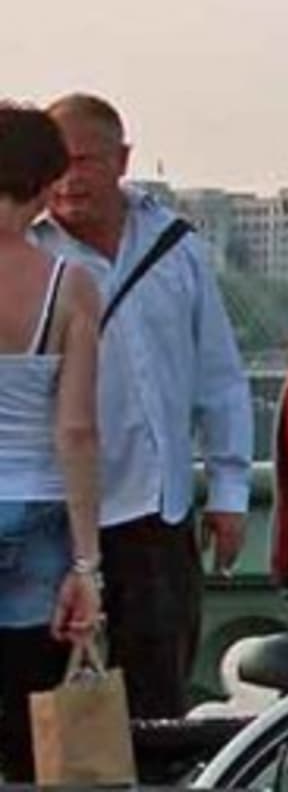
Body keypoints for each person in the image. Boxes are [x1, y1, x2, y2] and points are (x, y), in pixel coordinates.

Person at [31, 92, 247, 719]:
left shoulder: (175, 246)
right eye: (56, 164)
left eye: (84, 161)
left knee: (157, 708)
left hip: (155, 515)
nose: (69, 180)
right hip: (53, 523)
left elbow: (221, 377)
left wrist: (229, 494)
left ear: (121, 160)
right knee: (57, 721)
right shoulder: (24, 255)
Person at [0, 105, 108, 782]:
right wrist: (88, 566)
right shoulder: (69, 285)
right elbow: (76, 430)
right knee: (36, 743)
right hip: (38, 513)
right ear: (46, 184)